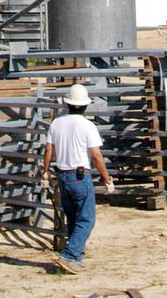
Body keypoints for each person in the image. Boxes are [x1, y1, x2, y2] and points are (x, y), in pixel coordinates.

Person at [41, 82, 114, 273]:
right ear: (85, 105)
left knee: (73, 217)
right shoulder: (88, 126)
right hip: (80, 176)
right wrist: (107, 179)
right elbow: (96, 155)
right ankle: (69, 255)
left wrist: (45, 172)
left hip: (62, 175)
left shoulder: (56, 123)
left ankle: (75, 258)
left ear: (67, 103)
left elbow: (49, 148)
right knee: (87, 219)